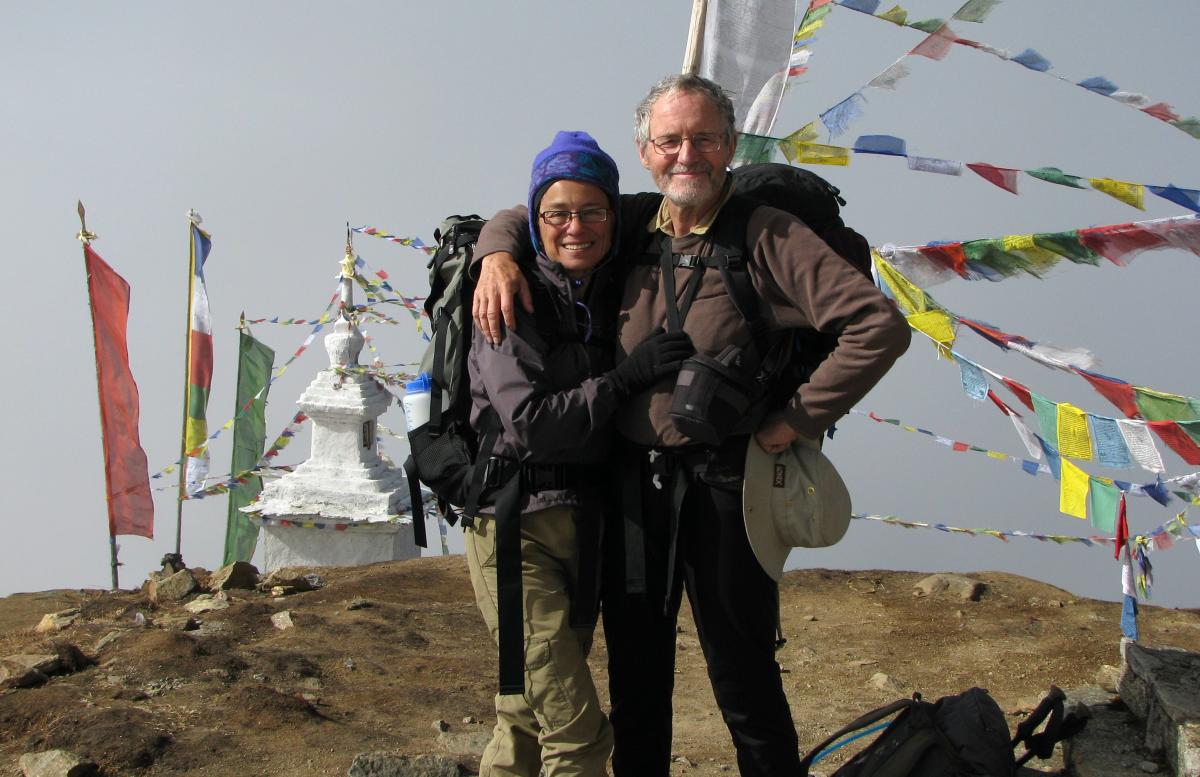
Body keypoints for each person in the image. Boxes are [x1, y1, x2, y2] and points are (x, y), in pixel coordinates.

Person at [472, 74, 911, 777]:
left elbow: (878, 325)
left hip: (726, 484)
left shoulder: (766, 233)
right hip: (628, 488)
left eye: (704, 139)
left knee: (741, 674)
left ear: (730, 145)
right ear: (645, 151)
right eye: (670, 140)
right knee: (638, 678)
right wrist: (495, 253)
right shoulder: (633, 223)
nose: (688, 155)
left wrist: (794, 420)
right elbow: (541, 213)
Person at [464, 129, 694, 777]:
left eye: (593, 211)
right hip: (515, 530)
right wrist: (626, 378)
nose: (575, 227)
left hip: (581, 527)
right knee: (578, 733)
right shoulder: (509, 300)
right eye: (556, 213)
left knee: (526, 717)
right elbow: (531, 423)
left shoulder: (609, 280)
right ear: (535, 221)